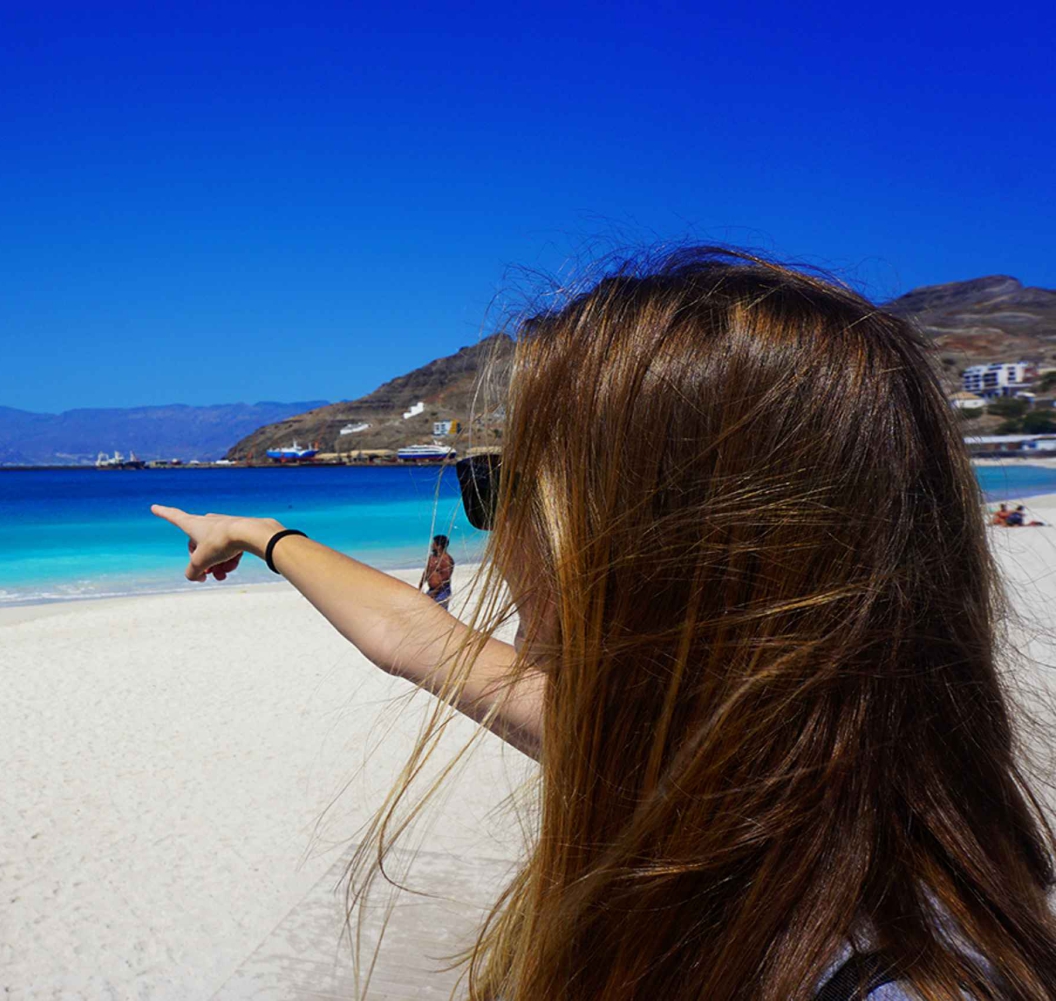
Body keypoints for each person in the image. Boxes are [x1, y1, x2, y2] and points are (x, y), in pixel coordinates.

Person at [151, 248, 1056, 1001]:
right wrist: (259, 533)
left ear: (673, 549)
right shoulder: (737, 775)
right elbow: (412, 637)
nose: (500, 551)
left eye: (513, 495)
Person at [417, 534, 455, 608]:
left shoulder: (446, 560)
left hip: (441, 592)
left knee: (438, 613)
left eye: (433, 544)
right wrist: (420, 585)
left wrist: (435, 592)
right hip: (431, 590)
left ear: (439, 546)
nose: (431, 546)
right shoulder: (432, 558)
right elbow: (427, 572)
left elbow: (445, 579)